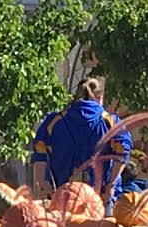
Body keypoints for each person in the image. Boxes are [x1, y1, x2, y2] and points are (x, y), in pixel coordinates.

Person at [32, 77, 133, 211]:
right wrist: (111, 185)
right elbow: (122, 152)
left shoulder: (55, 121)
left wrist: (42, 183)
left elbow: (40, 151)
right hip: (100, 197)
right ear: (100, 97)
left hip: (62, 195)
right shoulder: (111, 122)